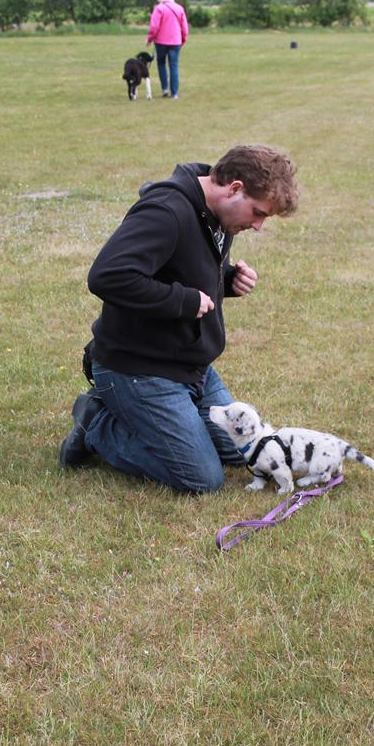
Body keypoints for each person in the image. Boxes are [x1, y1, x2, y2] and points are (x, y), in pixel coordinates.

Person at [58, 145, 300, 493]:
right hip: (138, 368)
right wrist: (182, 301)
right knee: (203, 478)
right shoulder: (166, 212)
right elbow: (108, 276)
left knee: (240, 449)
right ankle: (97, 424)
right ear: (234, 188)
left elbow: (180, 269)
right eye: (258, 213)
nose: (258, 225)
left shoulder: (215, 214)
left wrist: (227, 279)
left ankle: (171, 421)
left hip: (191, 367)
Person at [147, 0, 188, 99]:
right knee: (174, 65)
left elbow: (154, 27)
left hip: (161, 42)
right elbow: (184, 27)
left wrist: (150, 39)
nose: (157, 0)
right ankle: (174, 93)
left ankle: (165, 89)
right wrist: (183, 39)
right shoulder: (179, 8)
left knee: (161, 64)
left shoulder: (159, 8)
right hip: (176, 41)